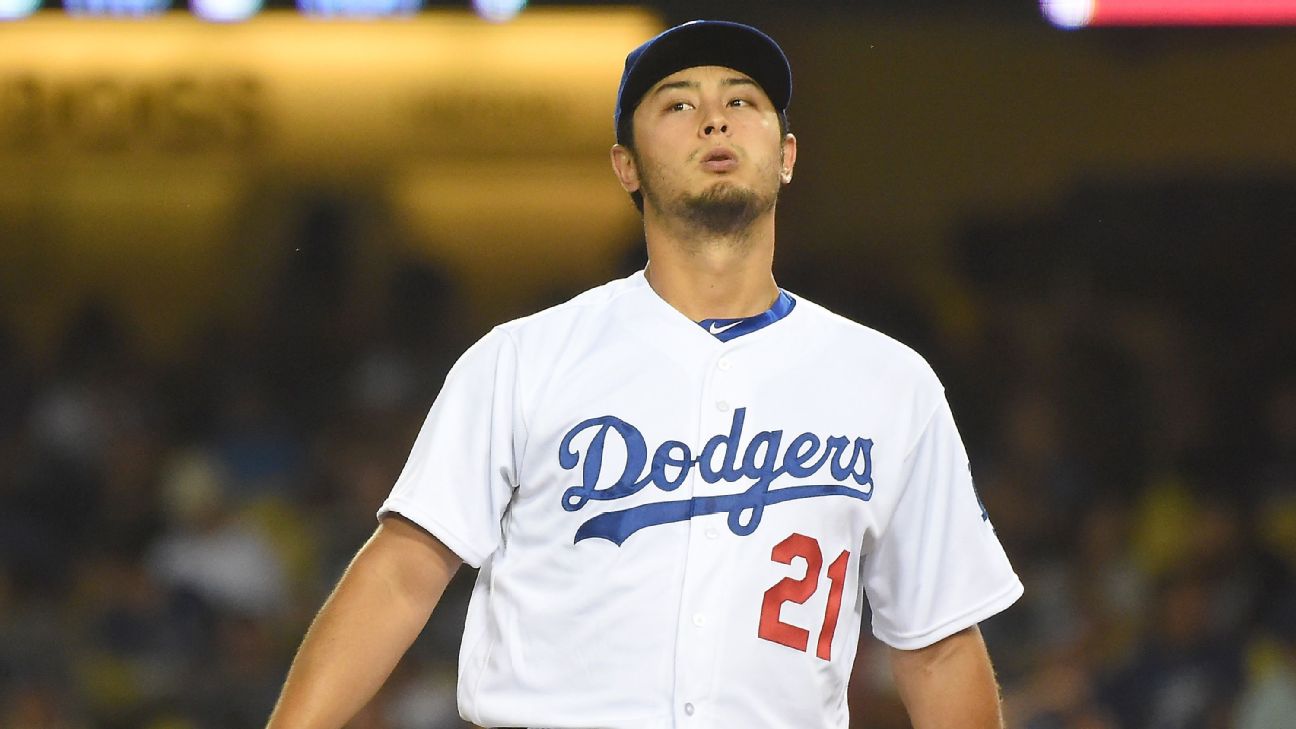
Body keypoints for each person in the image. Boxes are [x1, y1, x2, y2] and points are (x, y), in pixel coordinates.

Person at [266, 19, 1022, 729]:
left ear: (787, 154)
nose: (715, 119)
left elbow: (940, 642)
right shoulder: (525, 357)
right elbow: (401, 573)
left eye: (743, 101)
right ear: (626, 165)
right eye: (678, 104)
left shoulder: (889, 382)